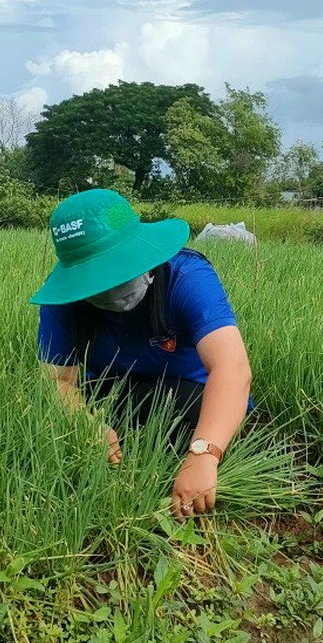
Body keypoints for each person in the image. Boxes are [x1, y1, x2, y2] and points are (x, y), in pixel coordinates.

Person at [31, 189, 251, 518]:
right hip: (112, 391)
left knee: (186, 415)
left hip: (188, 396)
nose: (110, 291)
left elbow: (231, 367)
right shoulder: (63, 299)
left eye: (117, 273)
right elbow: (57, 379)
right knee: (52, 434)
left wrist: (204, 452)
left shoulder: (186, 277)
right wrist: (85, 424)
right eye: (96, 283)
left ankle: (188, 464)